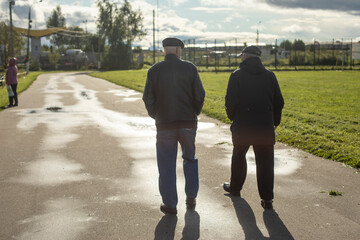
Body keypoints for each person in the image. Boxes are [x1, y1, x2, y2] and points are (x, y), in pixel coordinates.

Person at [143, 37, 205, 214]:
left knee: (166, 164)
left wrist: (157, 116)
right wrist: (194, 113)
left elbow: (148, 98)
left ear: (164, 50)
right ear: (179, 50)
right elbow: (199, 95)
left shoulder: (154, 70)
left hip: (164, 125)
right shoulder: (190, 68)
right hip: (188, 123)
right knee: (190, 159)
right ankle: (191, 197)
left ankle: (170, 205)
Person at [223, 46, 284, 210]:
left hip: (243, 125)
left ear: (244, 57)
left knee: (239, 156)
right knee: (265, 163)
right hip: (264, 126)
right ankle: (267, 199)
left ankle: (235, 188)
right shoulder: (270, 76)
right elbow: (279, 101)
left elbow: (230, 102)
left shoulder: (237, 75)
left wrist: (233, 118)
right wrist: (275, 122)